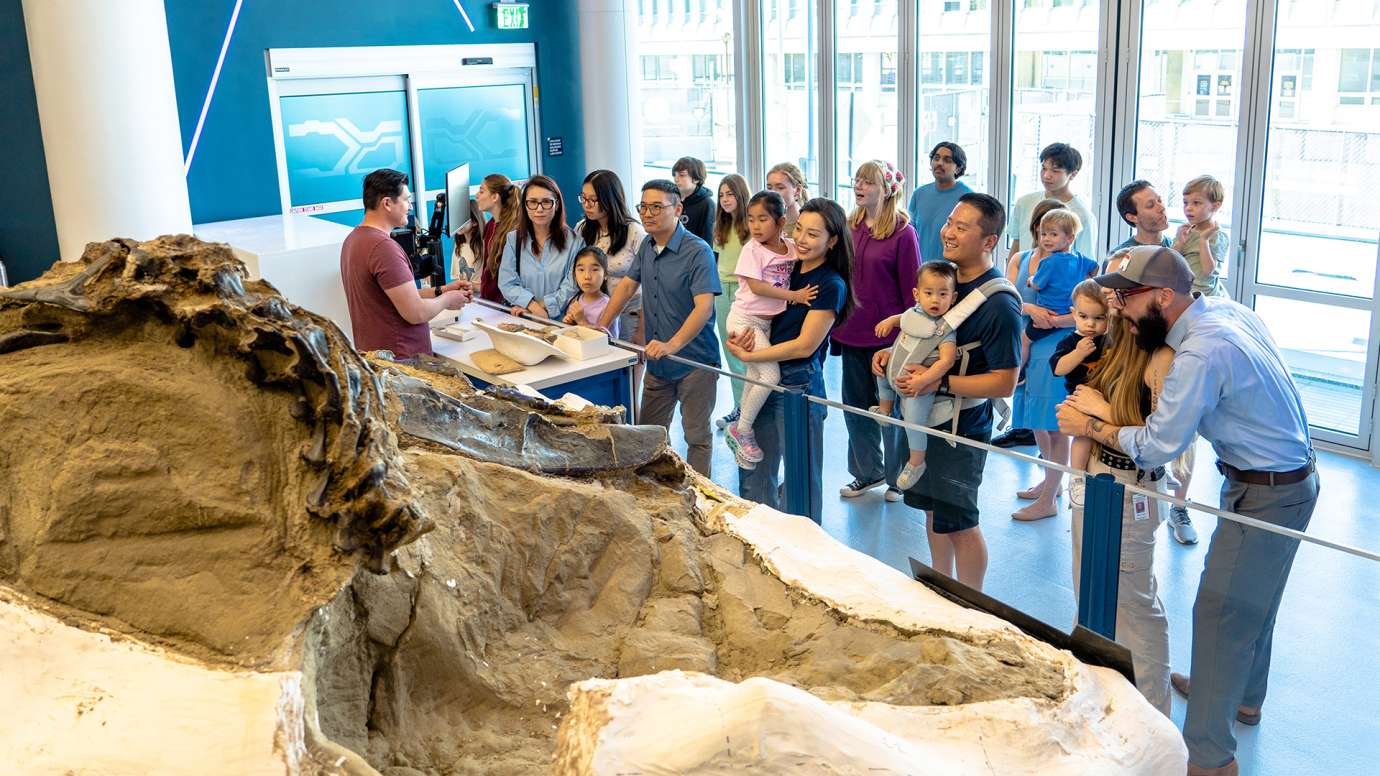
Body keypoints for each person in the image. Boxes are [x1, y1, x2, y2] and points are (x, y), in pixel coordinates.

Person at [1058, 245, 1320, 776]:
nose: (1119, 310)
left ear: (1162, 296)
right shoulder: (1223, 310)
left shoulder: (1198, 353)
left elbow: (1158, 445)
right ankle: (1243, 696)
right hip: (1270, 475)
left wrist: (1092, 425)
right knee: (1254, 600)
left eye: (1127, 299)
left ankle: (1208, 756)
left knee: (1221, 613)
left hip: (1269, 486)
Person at [893, 193, 1022, 590]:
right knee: (933, 511)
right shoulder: (941, 282)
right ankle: (940, 589)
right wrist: (890, 357)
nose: (947, 232)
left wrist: (937, 380)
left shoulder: (999, 305)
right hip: (925, 412)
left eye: (961, 227)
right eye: (950, 222)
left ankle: (972, 603)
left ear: (989, 241)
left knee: (961, 521)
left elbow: (1005, 381)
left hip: (961, 424)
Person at [1067, 311, 1173, 717]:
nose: (1111, 308)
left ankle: (1153, 720)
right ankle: (1096, 701)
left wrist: (1098, 416)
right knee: (1090, 591)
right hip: (1098, 475)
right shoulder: (1115, 350)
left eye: (1120, 299)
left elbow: (1164, 440)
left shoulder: (1164, 359)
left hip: (1132, 486)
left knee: (1132, 604)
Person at [729, 198, 854, 523]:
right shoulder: (785, 264)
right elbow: (751, 307)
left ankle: (802, 557)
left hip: (798, 386)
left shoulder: (830, 284)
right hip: (761, 378)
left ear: (833, 241)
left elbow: (804, 345)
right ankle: (759, 542)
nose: (800, 239)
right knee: (754, 474)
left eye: (813, 234)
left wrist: (751, 354)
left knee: (801, 484)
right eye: (798, 229)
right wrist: (740, 341)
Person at [597, 180, 721, 475]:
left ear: (678, 209)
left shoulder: (697, 251)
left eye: (656, 207)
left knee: (697, 437)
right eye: (643, 207)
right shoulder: (647, 246)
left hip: (694, 362)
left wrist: (672, 344)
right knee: (647, 434)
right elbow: (627, 287)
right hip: (658, 363)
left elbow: (704, 307)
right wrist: (600, 326)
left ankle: (698, 498)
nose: (648, 213)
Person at [832, 159, 921, 502]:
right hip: (851, 332)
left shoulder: (903, 232)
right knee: (855, 406)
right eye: (857, 180)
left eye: (868, 182)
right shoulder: (848, 226)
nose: (859, 186)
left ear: (887, 190)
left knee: (890, 411)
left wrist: (905, 335)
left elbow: (914, 291)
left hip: (888, 338)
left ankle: (898, 478)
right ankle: (866, 472)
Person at [339, 168, 471, 358]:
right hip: (402, 360)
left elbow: (393, 296)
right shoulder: (383, 248)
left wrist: (441, 290)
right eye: (406, 200)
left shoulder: (354, 240)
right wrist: (448, 300)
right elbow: (415, 312)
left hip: (379, 357)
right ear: (387, 203)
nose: (410, 207)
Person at [723, 191, 813, 467]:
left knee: (756, 374)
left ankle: (740, 424)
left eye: (763, 219)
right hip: (744, 319)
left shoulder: (790, 247)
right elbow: (756, 286)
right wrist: (795, 296)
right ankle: (744, 427)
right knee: (770, 373)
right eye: (751, 220)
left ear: (781, 221)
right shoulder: (752, 249)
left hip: (764, 323)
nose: (756, 226)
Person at [1007, 199, 1082, 522]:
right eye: (1042, 229)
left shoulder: (1073, 264)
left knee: (1056, 424)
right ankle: (1048, 480)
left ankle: (1051, 494)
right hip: (1027, 345)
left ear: (1067, 235)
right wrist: (1032, 311)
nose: (1045, 236)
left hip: (1056, 347)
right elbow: (1009, 299)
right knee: (1035, 418)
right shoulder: (1021, 258)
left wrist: (1057, 320)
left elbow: (1086, 310)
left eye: (1053, 231)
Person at [872, 260, 959, 490]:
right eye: (929, 293)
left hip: (917, 387)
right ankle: (885, 409)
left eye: (943, 294)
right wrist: (889, 322)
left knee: (914, 422)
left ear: (954, 298)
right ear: (917, 294)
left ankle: (916, 462)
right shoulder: (913, 313)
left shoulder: (945, 330)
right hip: (894, 375)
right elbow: (903, 319)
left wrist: (925, 379)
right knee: (882, 374)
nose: (935, 300)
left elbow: (947, 360)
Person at [1050, 279, 1111, 506]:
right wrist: (1077, 353)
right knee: (1083, 437)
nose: (1091, 324)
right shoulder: (1070, 342)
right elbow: (1058, 368)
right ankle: (1076, 479)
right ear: (1073, 314)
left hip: (1107, 399)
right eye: (1084, 317)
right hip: (1080, 399)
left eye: (1099, 318)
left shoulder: (1110, 340)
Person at [574, 169, 645, 343]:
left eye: (593, 200)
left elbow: (649, 284)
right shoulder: (582, 228)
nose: (586, 205)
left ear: (610, 199)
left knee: (627, 366)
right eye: (583, 198)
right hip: (590, 312)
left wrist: (642, 330)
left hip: (629, 313)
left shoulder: (634, 232)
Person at [498, 175, 579, 320]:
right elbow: (506, 282)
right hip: (524, 318)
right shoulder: (513, 239)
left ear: (557, 205)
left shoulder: (575, 242)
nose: (539, 209)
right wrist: (533, 307)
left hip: (563, 322)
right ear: (525, 205)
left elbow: (571, 286)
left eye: (546, 202)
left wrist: (544, 308)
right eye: (533, 202)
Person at [1006, 142, 1098, 262]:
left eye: (1055, 171)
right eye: (1044, 168)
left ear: (1073, 174)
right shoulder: (1024, 202)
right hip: (1022, 277)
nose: (1046, 175)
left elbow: (1085, 263)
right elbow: (1016, 246)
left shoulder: (1082, 215)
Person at [713, 173, 753, 428]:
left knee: (747, 351)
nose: (725, 199)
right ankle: (740, 406)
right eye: (721, 195)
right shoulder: (720, 225)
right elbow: (716, 261)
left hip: (744, 291)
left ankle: (750, 407)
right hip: (722, 291)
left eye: (730, 194)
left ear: (740, 195)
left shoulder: (751, 225)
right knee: (731, 353)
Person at [907, 142, 974, 262]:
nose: (939, 163)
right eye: (936, 158)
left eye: (947, 160)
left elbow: (971, 240)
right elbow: (909, 235)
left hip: (951, 273)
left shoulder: (968, 198)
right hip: (920, 271)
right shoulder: (919, 194)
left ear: (958, 168)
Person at [1174, 174, 1231, 299]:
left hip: (1205, 297)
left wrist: (1203, 240)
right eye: (1185, 202)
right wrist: (1179, 243)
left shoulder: (1218, 236)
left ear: (1215, 206)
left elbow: (1208, 271)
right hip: (1182, 291)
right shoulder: (1184, 230)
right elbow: (1170, 263)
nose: (1188, 208)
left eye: (1196, 203)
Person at [474, 173, 522, 304]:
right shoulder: (491, 225)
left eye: (481, 191)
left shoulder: (513, 231)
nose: (476, 195)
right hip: (490, 302)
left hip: (504, 305)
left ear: (495, 197)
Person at [562, 246, 618, 339]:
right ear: (574, 274)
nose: (587, 276)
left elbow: (609, 342)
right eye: (581, 270)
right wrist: (569, 323)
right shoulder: (575, 300)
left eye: (595, 270)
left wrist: (582, 321)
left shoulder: (608, 306)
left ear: (605, 275)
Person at [1111, 180, 1173, 256]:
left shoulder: (1179, 248)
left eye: (1160, 200)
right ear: (1132, 217)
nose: (1161, 207)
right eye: (1150, 205)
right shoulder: (1118, 258)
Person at [672, 156, 716, 247]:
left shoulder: (707, 204)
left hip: (696, 255)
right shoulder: (673, 200)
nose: (676, 179)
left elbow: (707, 240)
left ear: (696, 179)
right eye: (674, 175)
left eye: (682, 175)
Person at [766, 162, 809, 239]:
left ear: (797, 190)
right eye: (769, 188)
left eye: (780, 188)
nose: (772, 193)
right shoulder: (766, 223)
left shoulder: (809, 224)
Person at [449, 197, 486, 283]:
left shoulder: (484, 246)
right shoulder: (458, 246)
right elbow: (457, 279)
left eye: (461, 219)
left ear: (474, 222)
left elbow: (485, 286)